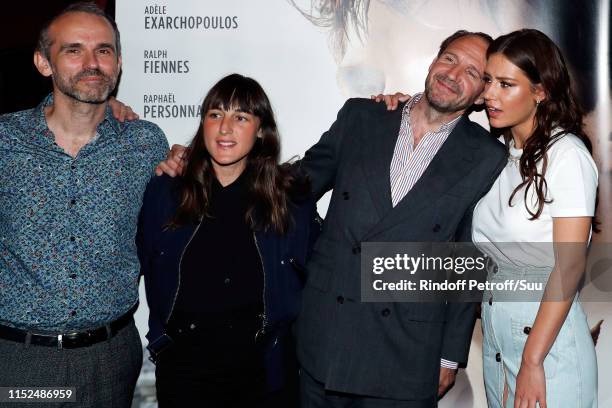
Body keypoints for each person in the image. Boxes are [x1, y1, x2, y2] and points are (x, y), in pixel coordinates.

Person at [156, 31, 509, 407]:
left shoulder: (484, 155)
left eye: (472, 72)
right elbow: (295, 185)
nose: (453, 74)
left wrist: (449, 355)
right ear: (434, 59)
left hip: (406, 352)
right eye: (450, 59)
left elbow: (466, 261)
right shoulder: (362, 115)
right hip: (326, 336)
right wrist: (199, 164)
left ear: (480, 94)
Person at [0, 3, 168, 407]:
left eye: (104, 51)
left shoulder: (144, 144)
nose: (92, 63)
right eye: (74, 50)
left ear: (119, 63)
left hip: (113, 357)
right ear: (44, 63)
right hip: (23, 360)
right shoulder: (5, 142)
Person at [137, 73, 320, 407]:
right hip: (184, 371)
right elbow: (140, 261)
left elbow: (322, 272)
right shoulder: (165, 192)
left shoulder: (289, 198)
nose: (224, 128)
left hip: (263, 372)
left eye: (241, 117)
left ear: (261, 130)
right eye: (215, 114)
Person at [474, 29, 598, 408]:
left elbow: (570, 266)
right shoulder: (497, 154)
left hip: (545, 348)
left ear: (540, 91)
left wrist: (532, 360)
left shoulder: (567, 156)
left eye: (506, 84)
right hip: (497, 337)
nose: (489, 94)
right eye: (488, 80)